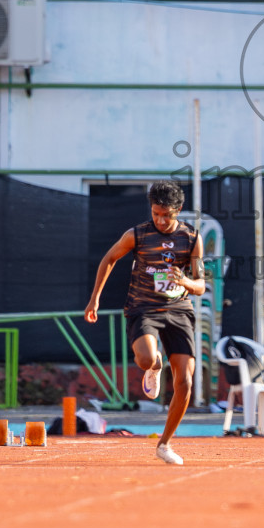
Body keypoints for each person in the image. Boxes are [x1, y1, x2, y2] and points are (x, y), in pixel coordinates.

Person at [87, 180, 206, 466]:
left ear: (178, 210)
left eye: (167, 215)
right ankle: (155, 366)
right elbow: (109, 259)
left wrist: (185, 281)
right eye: (156, 214)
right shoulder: (137, 235)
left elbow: (201, 284)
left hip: (179, 309)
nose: (161, 220)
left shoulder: (191, 238)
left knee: (185, 381)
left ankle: (164, 444)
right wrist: (95, 299)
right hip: (144, 308)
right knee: (144, 358)